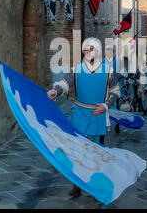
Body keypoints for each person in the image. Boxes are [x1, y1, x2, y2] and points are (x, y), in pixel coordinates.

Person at [47, 37, 120, 198]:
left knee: (96, 151)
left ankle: (95, 185)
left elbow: (115, 90)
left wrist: (106, 106)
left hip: (97, 114)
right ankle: (77, 185)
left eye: (90, 49)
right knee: (77, 151)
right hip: (80, 113)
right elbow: (64, 84)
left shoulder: (108, 70)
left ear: (98, 51)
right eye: (85, 50)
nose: (87, 52)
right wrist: (55, 91)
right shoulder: (76, 69)